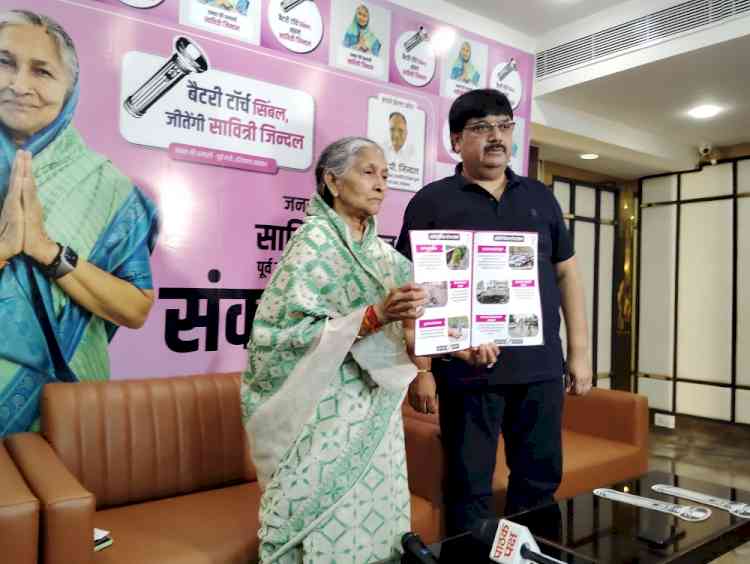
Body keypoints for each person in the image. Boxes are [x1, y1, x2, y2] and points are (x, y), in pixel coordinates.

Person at [396, 89, 592, 536]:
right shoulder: (430, 202)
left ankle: (534, 557)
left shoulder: (540, 197)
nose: (496, 137)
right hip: (466, 373)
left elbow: (567, 274)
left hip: (540, 368)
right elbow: (412, 290)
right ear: (456, 140)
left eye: (504, 126)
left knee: (539, 481)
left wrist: (579, 353)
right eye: (481, 128)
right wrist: (422, 369)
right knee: (468, 489)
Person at [241, 137, 427, 563]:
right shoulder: (311, 245)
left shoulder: (386, 257)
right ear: (332, 181)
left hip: (375, 412)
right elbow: (282, 335)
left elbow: (423, 322)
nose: (381, 184)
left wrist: (461, 343)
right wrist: (375, 315)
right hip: (320, 414)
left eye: (386, 175)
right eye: (368, 172)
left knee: (377, 521)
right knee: (320, 529)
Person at [0, 10, 158, 436]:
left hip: (64, 413)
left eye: (42, 71)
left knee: (58, 481)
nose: (19, 84)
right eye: (4, 62)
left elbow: (136, 308)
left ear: (70, 87)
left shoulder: (108, 187)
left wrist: (47, 251)